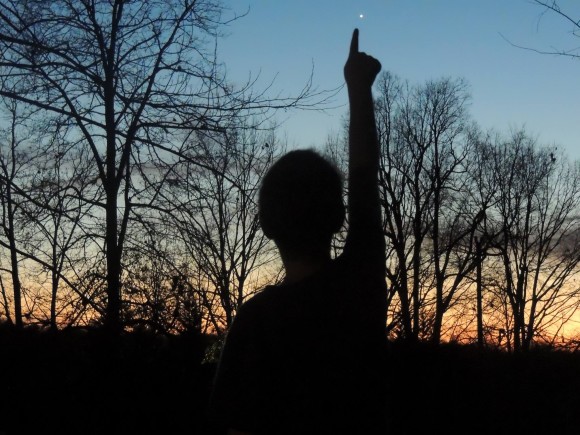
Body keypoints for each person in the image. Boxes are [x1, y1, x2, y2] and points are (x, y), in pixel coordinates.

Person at [208, 29, 388, 435]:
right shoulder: (359, 289)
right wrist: (358, 90)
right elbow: (364, 178)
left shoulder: (255, 324)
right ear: (339, 218)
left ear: (267, 225)